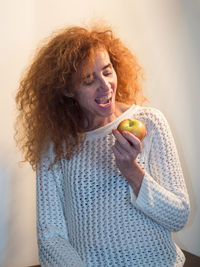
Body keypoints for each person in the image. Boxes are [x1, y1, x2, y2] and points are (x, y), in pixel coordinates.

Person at [15, 24, 190, 267]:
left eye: (107, 72)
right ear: (67, 90)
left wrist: (132, 172)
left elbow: (178, 216)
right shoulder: (55, 146)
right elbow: (50, 238)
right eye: (88, 80)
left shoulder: (150, 122)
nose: (105, 86)